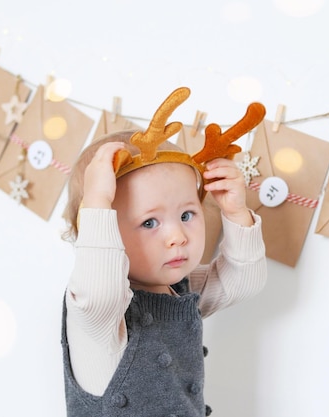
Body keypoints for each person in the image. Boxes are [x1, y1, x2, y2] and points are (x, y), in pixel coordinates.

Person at [60, 87, 267, 416]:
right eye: (149, 222)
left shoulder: (180, 289)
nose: (177, 236)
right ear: (101, 231)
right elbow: (100, 293)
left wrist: (235, 213)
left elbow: (241, 282)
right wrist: (97, 203)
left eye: (186, 215)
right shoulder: (94, 316)